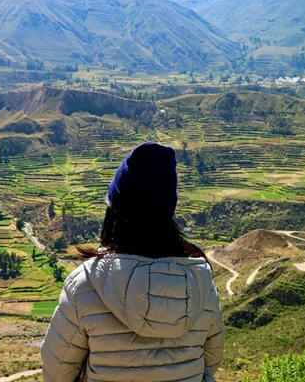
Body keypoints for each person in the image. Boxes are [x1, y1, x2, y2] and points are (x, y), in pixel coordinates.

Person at [41, 142, 224, 382]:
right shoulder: (202, 283)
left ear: (116, 213)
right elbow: (210, 360)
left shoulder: (85, 285)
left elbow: (57, 374)